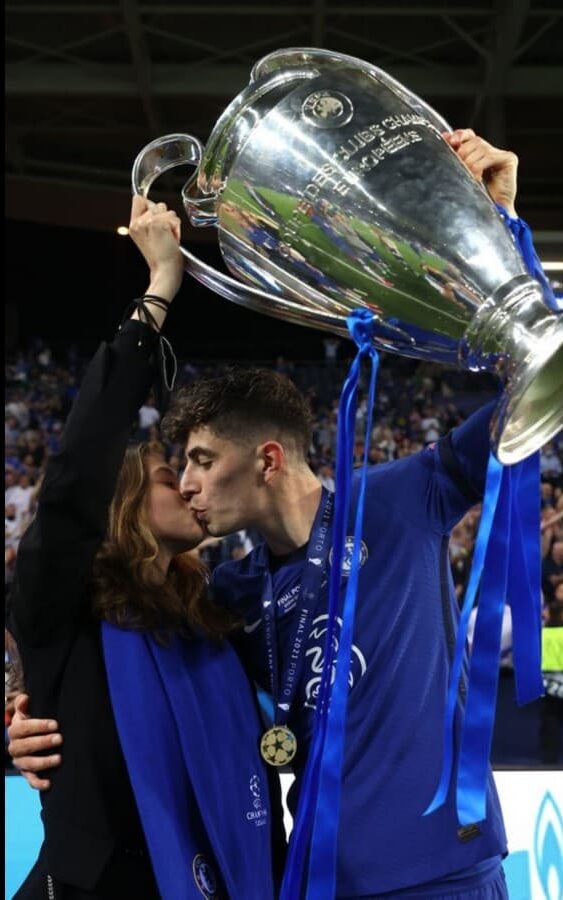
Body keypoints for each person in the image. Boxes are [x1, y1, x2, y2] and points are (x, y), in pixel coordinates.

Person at [9, 131, 553, 898]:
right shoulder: (224, 601)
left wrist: (500, 233)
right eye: (178, 469)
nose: (189, 485)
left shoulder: (405, 498)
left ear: (264, 458)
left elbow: (538, 380)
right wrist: (30, 715)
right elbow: (113, 667)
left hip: (445, 875)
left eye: (198, 462)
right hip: (309, 881)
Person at [6, 195, 277, 900]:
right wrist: (159, 288)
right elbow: (75, 474)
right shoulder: (59, 606)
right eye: (169, 474)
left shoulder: (211, 613)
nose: (191, 485)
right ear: (122, 502)